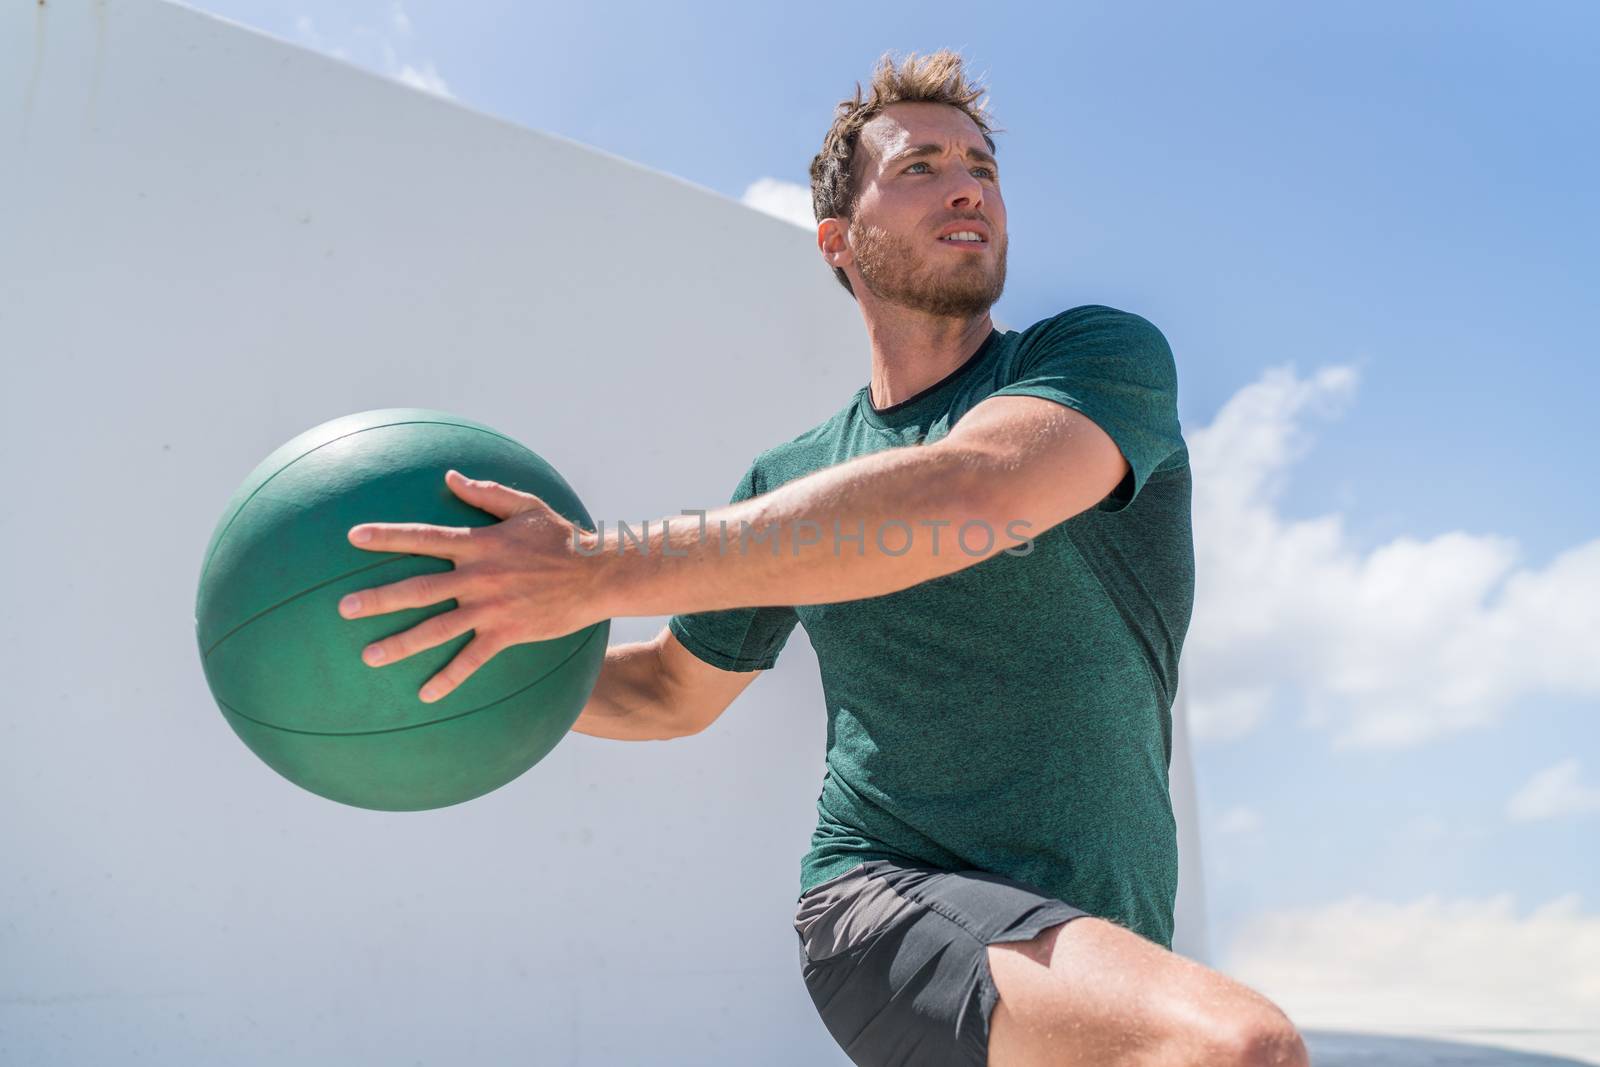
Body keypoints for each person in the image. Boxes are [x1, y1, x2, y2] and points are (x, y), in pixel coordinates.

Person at [338, 48, 1310, 1067]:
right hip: (879, 897)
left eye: (981, 163)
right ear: (840, 242)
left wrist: (590, 569)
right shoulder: (793, 475)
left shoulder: (1092, 360)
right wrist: (480, 658)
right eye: (921, 166)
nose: (969, 182)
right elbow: (674, 687)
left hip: (1091, 942)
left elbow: (973, 493)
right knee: (1240, 1047)